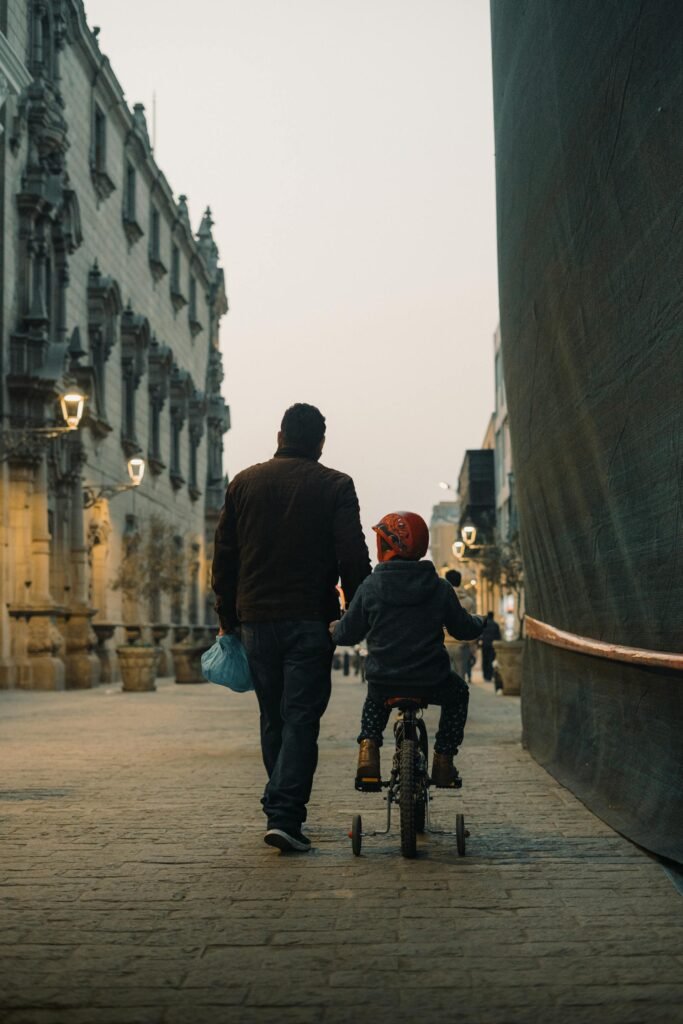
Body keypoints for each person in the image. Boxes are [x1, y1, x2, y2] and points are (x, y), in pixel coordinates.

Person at [212, 403, 371, 853]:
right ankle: (283, 814)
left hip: (256, 621)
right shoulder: (336, 485)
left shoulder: (243, 483)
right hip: (309, 620)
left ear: (280, 435)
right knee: (301, 717)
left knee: (273, 716)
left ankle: (280, 806)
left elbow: (224, 559)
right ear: (320, 443)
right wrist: (358, 612)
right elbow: (352, 557)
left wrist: (228, 620)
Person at [331, 511, 484, 788]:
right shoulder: (439, 588)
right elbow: (464, 628)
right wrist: (480, 621)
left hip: (385, 679)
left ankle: (368, 754)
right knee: (458, 694)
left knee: (375, 703)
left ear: (387, 547)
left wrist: (334, 629)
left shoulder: (371, 587)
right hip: (431, 680)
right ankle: (443, 763)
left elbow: (347, 634)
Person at [480, 611, 501, 682]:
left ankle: (485, 675)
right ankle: (489, 675)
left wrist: (479, 642)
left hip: (484, 645)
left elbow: (479, 634)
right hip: (492, 646)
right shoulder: (496, 625)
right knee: (491, 660)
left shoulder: (483, 624)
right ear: (493, 616)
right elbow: (498, 637)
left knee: (485, 660)